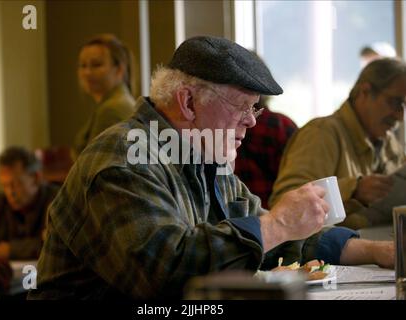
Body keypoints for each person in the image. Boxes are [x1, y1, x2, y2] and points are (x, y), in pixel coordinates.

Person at [29, 36, 394, 300]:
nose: (251, 122)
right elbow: (166, 277)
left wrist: (378, 252)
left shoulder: (203, 157)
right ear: (187, 101)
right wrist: (277, 223)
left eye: (256, 109)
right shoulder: (124, 157)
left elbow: (270, 237)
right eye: (242, 107)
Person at [270, 58, 406, 230]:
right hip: (328, 256)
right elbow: (284, 203)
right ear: (365, 92)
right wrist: (354, 189)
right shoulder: (321, 134)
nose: (400, 116)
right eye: (395, 103)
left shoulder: (389, 143)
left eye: (405, 106)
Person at [0, 146, 59, 260]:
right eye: (5, 185)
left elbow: (59, 247)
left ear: (36, 178)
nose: (10, 192)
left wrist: (12, 250)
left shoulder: (59, 202)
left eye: (16, 184)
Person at [72, 33, 136, 159]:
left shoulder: (111, 109)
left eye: (96, 65)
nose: (87, 72)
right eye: (83, 65)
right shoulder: (120, 100)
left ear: (119, 69)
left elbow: (95, 164)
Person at [234, 95, 298, 208]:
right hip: (277, 212)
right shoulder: (280, 124)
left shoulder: (222, 125)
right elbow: (296, 180)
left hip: (234, 216)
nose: (251, 122)